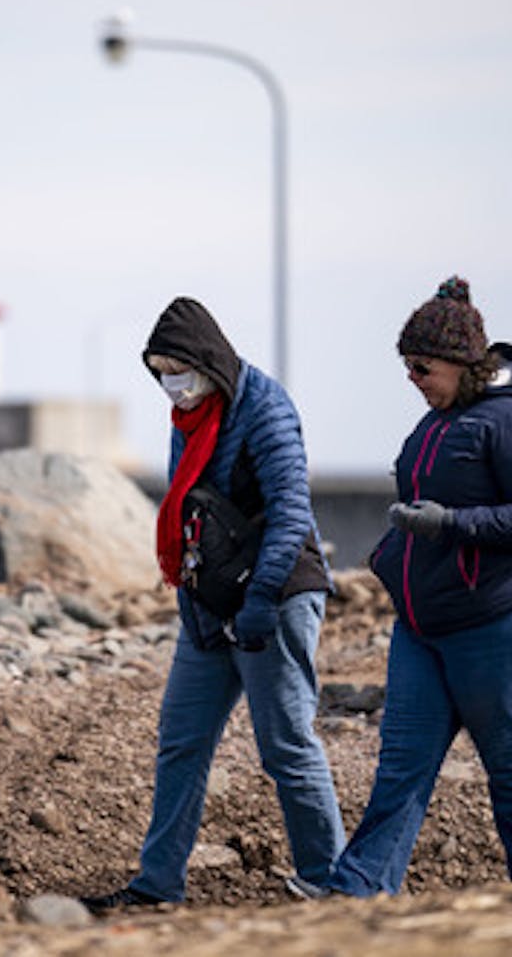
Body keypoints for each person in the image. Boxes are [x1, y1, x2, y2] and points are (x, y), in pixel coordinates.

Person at [81, 295, 345, 913]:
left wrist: (258, 605)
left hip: (275, 597)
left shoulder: (266, 409)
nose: (171, 386)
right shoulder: (190, 420)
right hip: (211, 603)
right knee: (181, 738)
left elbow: (290, 515)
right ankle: (157, 885)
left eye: (179, 370)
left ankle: (330, 880)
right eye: (160, 373)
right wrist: (199, 615)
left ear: (208, 361)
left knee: (284, 742)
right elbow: (193, 518)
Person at [323, 275, 512, 897]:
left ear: (462, 363)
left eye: (421, 366)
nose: (412, 378)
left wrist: (452, 524)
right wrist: (393, 552)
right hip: (425, 627)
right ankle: (359, 892)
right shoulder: (438, 418)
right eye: (406, 367)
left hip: (500, 619)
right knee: (401, 766)